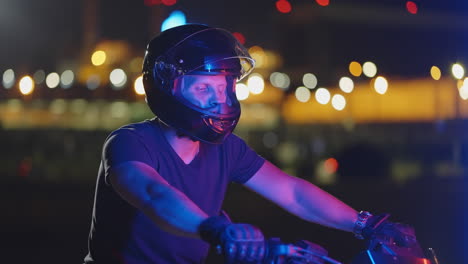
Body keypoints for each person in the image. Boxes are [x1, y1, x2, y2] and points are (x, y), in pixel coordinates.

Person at [83, 24, 418, 264]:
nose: (219, 101)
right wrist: (215, 229)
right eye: (203, 89)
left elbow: (292, 191)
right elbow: (153, 195)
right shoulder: (130, 142)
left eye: (224, 89)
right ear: (165, 87)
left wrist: (366, 224)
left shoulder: (226, 149)